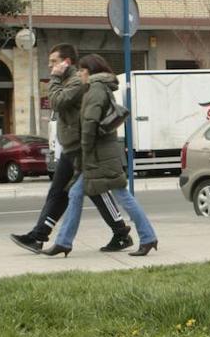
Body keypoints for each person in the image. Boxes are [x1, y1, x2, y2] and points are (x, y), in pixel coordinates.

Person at [11, 44, 133, 253]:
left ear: (66, 62)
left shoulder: (76, 82)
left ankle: (121, 233)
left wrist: (54, 79)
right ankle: (38, 235)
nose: (51, 66)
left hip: (80, 148)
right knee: (60, 192)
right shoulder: (69, 81)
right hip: (71, 147)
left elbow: (57, 102)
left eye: (54, 62)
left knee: (96, 190)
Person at [44, 54, 159, 258]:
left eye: (82, 70)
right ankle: (63, 242)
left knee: (123, 196)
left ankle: (148, 237)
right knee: (75, 194)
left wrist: (85, 150)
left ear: (90, 71)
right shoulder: (99, 88)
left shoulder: (95, 89)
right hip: (100, 155)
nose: (79, 74)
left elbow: (90, 124)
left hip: (99, 156)